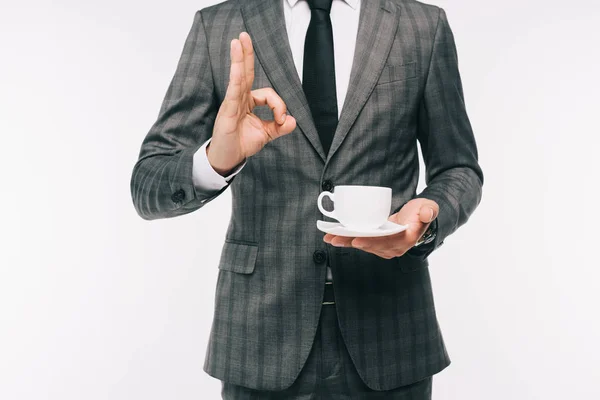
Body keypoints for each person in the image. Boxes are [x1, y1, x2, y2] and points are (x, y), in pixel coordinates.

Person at [130, 0, 484, 398]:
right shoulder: (219, 26)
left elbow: (460, 169)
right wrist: (217, 160)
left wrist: (428, 220)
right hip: (259, 340)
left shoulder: (422, 25)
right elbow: (148, 184)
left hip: (392, 335)